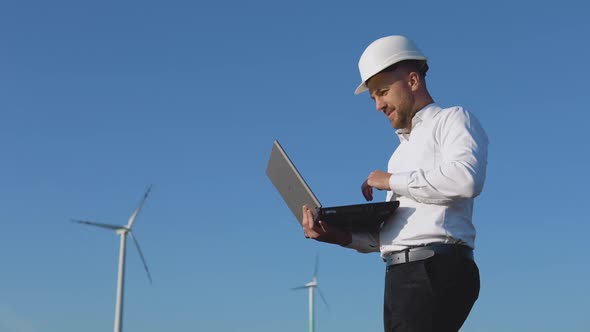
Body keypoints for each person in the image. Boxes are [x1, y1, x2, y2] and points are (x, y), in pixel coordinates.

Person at [302, 35, 489, 332]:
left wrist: (391, 181)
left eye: (383, 92)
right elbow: (399, 234)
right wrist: (341, 237)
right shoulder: (399, 154)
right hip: (403, 274)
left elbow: (465, 180)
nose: (378, 105)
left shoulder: (452, 119)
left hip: (434, 268)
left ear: (413, 81)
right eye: (373, 97)